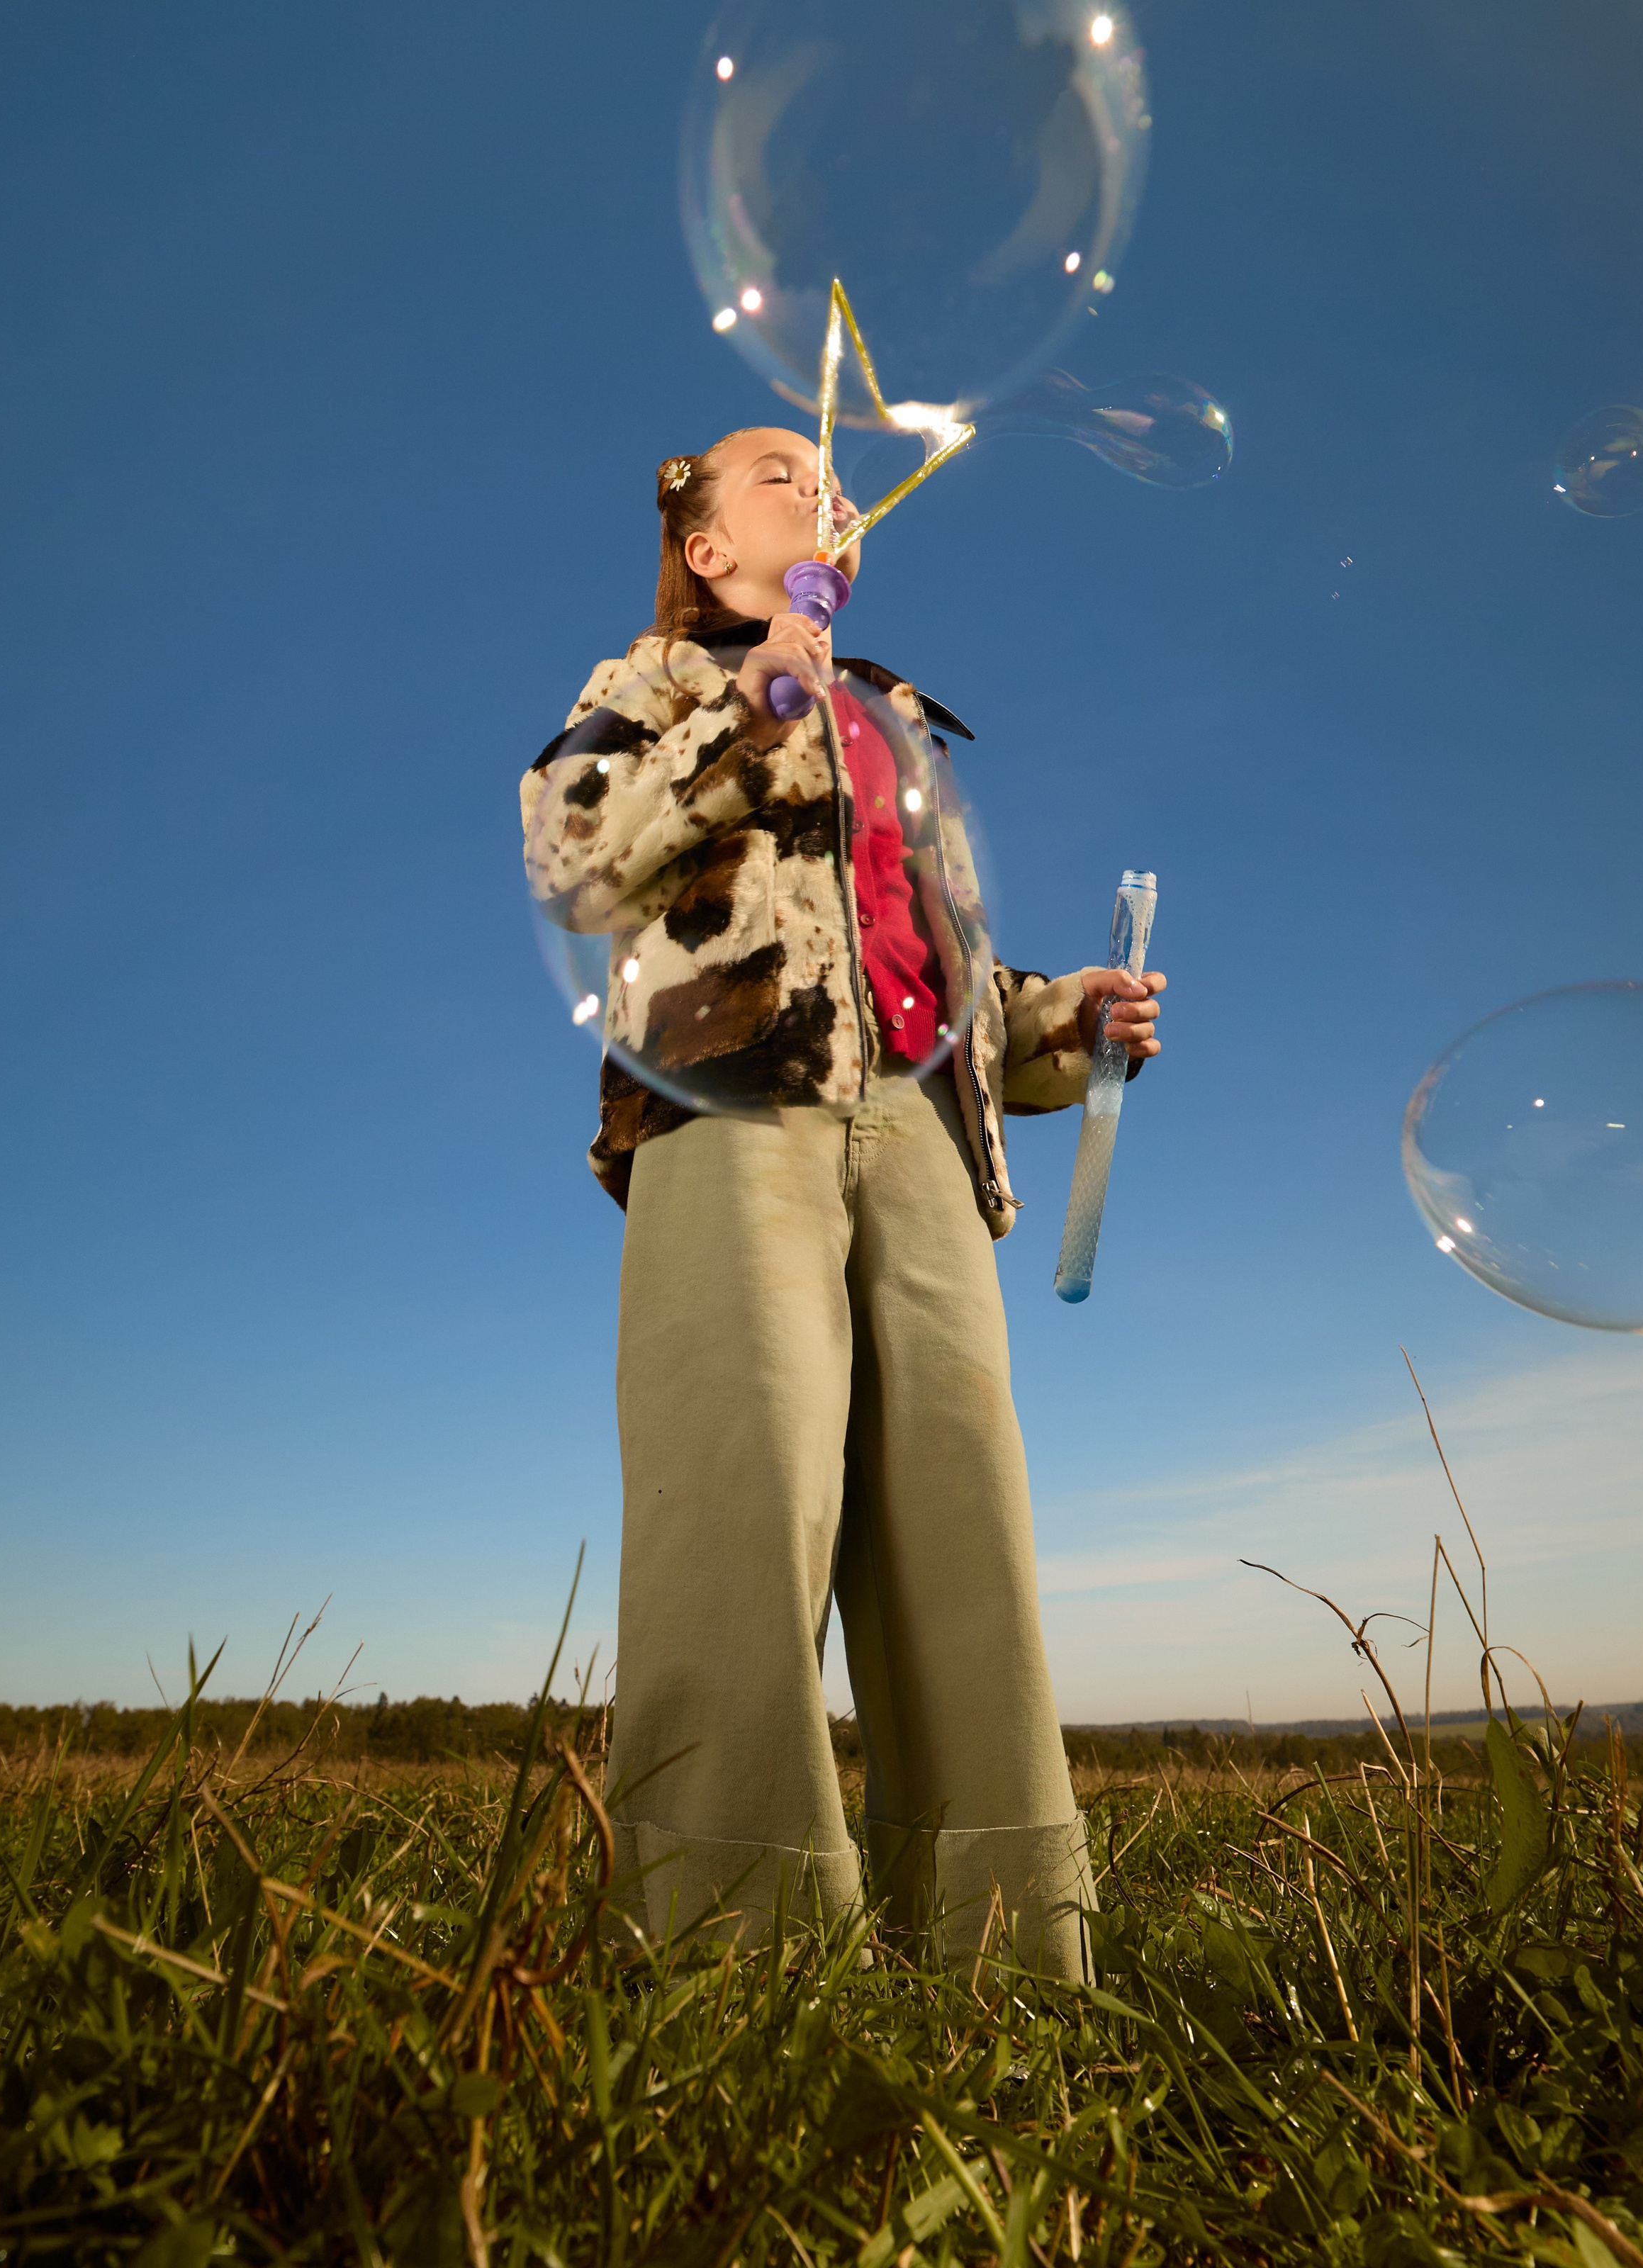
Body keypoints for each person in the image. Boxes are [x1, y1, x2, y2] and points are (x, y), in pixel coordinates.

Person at [521, 427, 1165, 1980]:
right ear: (703, 547)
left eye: (833, 481)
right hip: (732, 1106)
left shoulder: (893, 721)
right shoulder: (651, 684)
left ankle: (1007, 1952)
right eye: (777, 472)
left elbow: (931, 972)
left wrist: (1060, 1019)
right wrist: (748, 708)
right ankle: (724, 1953)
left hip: (925, 1138)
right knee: (740, 1506)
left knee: (963, 1520)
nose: (822, 490)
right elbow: (573, 852)